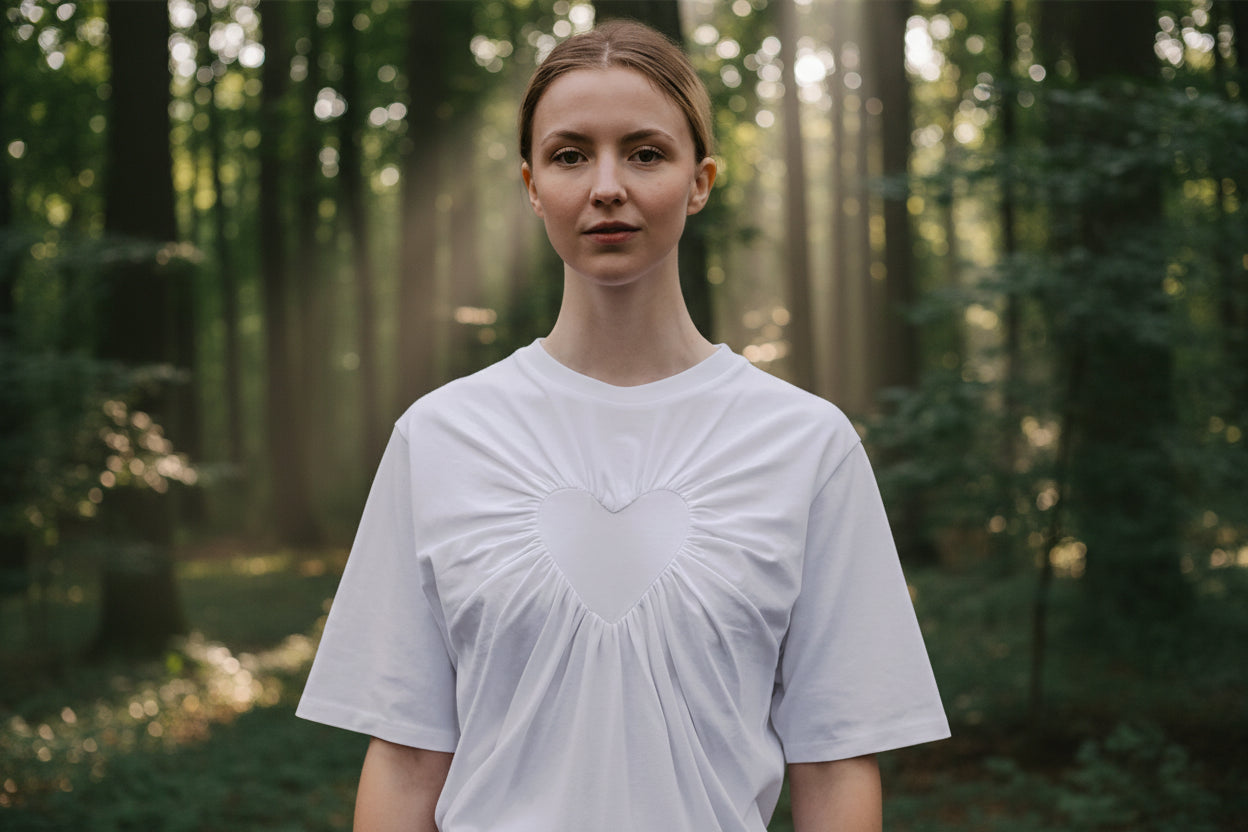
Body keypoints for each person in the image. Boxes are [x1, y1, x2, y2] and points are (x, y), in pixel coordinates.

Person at [297, 19, 949, 832]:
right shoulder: (438, 438)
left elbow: (838, 759)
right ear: (532, 184)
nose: (607, 185)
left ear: (700, 179)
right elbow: (405, 757)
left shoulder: (807, 444)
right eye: (571, 155)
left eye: (645, 153)